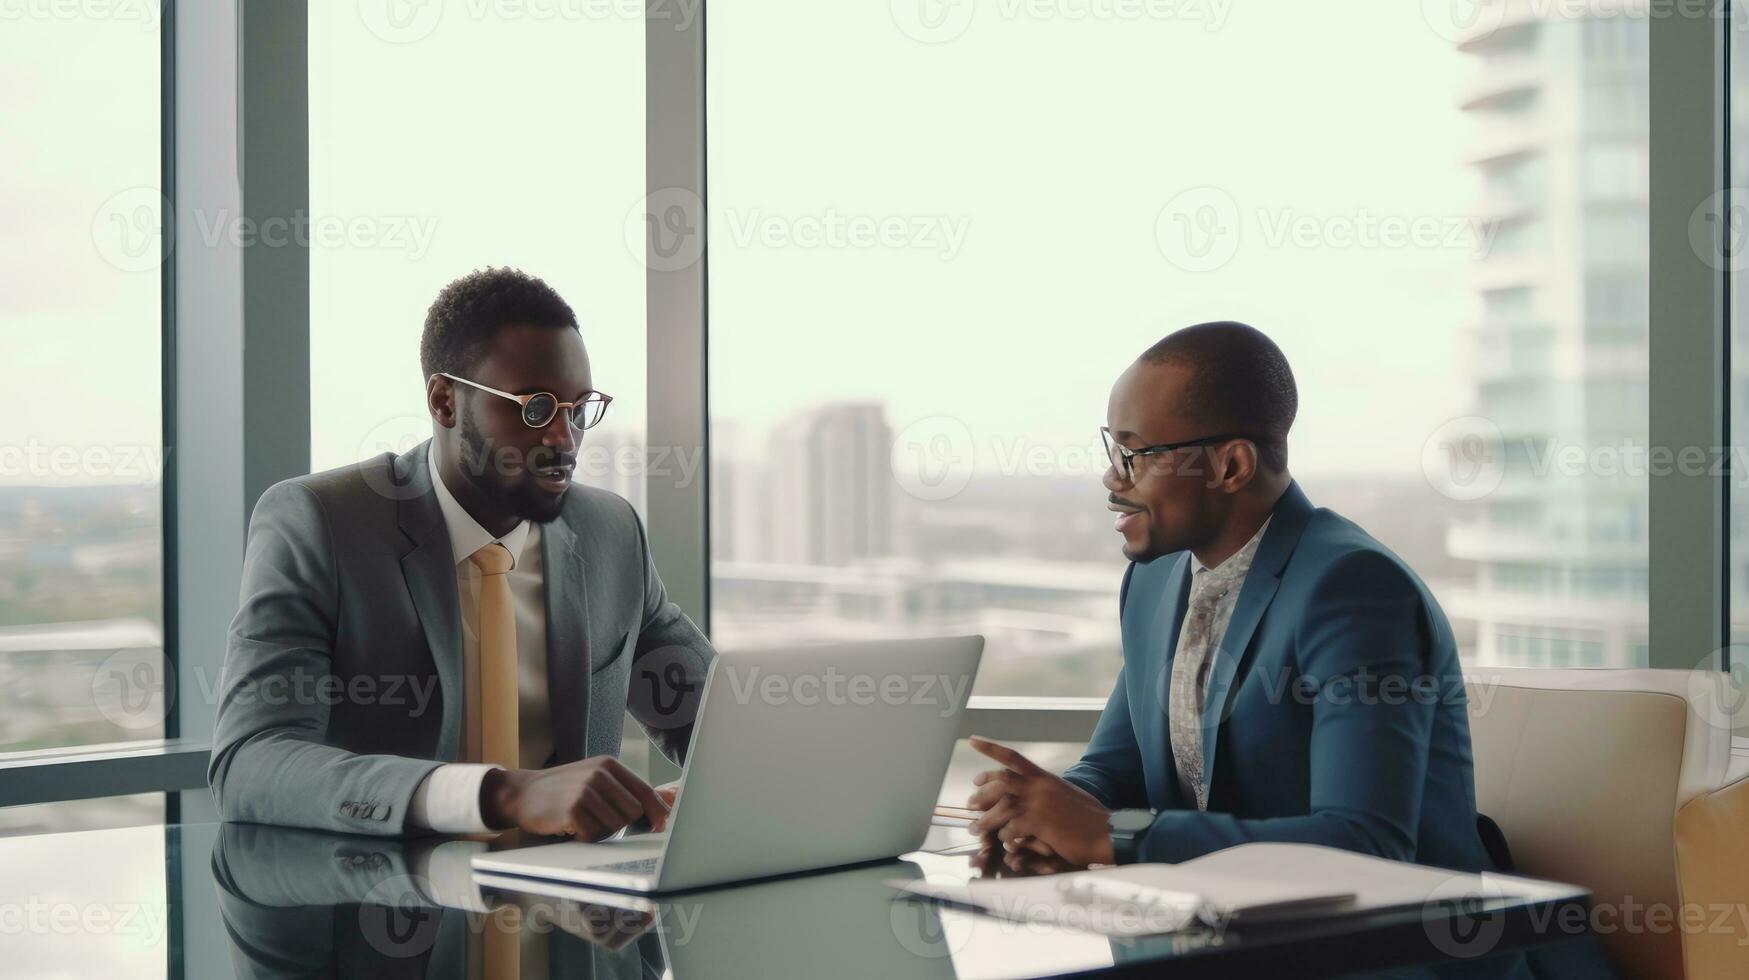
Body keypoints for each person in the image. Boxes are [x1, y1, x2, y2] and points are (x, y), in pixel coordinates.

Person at [966, 321, 1493, 873]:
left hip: (1376, 949)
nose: (1111, 477)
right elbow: (1115, 772)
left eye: (1134, 454)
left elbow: (1364, 843)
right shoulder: (1154, 581)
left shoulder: (1353, 590)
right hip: (1196, 933)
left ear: (1231, 465)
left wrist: (1114, 835)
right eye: (1112, 450)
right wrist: (1037, 811)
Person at [209, 267, 713, 839]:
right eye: (534, 409)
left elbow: (724, 725)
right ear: (445, 400)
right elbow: (249, 764)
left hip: (574, 914)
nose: (563, 439)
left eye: (578, 409)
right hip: (385, 906)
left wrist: (698, 796)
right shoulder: (321, 525)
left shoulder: (611, 534)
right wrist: (499, 793)